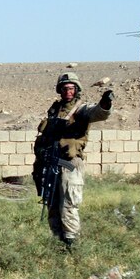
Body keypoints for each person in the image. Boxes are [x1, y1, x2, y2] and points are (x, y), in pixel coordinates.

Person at [32, 72, 114, 249]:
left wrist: (106, 103)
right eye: (64, 88)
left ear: (76, 90)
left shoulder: (80, 109)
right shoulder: (54, 110)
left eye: (71, 88)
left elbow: (97, 113)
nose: (67, 91)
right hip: (52, 164)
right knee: (52, 206)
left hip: (70, 165)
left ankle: (72, 244)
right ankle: (57, 242)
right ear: (59, 90)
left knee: (68, 205)